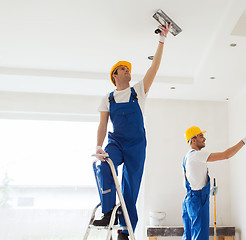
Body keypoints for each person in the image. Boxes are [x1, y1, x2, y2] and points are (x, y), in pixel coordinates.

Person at [93, 23, 171, 240]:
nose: (127, 70)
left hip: (137, 144)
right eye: (123, 69)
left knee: (131, 187)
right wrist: (99, 146)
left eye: (128, 69)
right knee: (105, 165)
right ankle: (108, 211)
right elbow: (102, 125)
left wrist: (162, 40)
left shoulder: (139, 91)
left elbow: (154, 67)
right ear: (114, 76)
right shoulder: (107, 98)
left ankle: (125, 231)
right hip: (116, 141)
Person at [182, 126, 246, 240]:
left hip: (190, 200)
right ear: (193, 140)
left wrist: (206, 188)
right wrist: (244, 141)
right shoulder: (197, 155)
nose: (204, 139)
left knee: (189, 236)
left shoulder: (187, 157)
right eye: (201, 136)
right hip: (197, 200)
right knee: (200, 237)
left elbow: (191, 179)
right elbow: (226, 155)